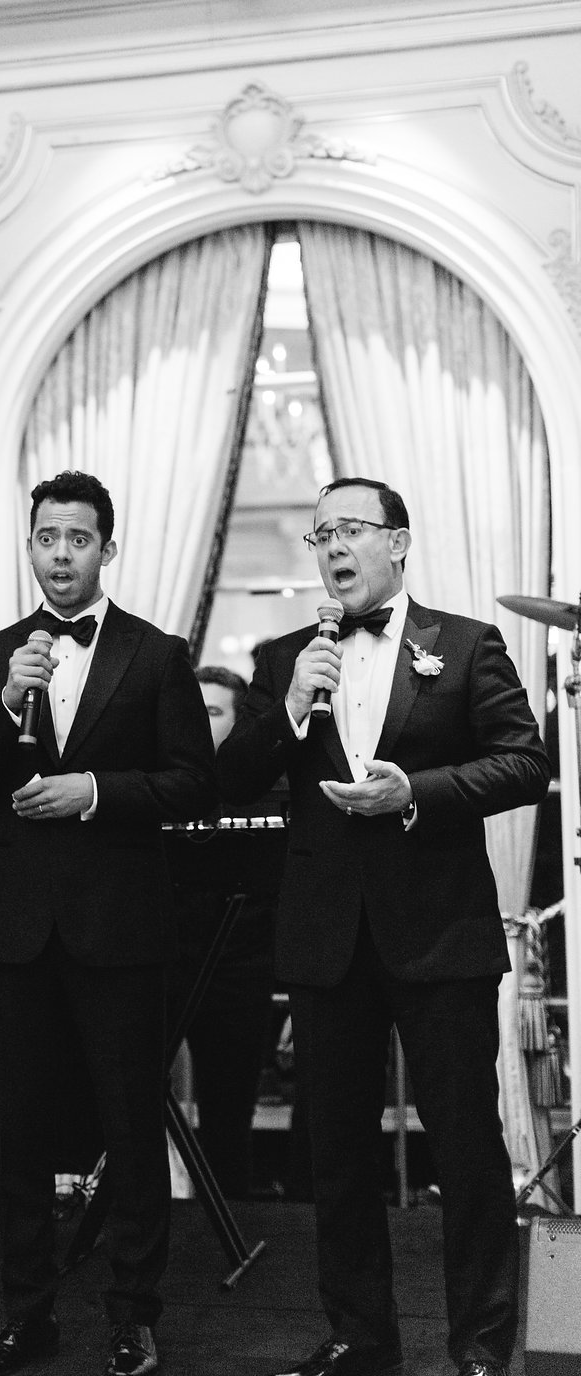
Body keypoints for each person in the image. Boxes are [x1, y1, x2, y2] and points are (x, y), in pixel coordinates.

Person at [216, 477, 549, 1376]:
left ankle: (481, 1346)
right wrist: (290, 707)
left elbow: (523, 762)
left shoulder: (466, 645)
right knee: (338, 1156)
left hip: (440, 934)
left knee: (467, 1149)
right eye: (320, 533)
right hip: (326, 938)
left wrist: (418, 793)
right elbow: (231, 776)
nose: (333, 545)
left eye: (351, 528)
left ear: (397, 542)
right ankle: (360, 1338)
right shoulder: (284, 656)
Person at [0, 470, 217, 1376]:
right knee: (20, 1134)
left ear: (108, 548)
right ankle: (28, 1318)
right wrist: (5, 702)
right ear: (31, 546)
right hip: (13, 928)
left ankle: (133, 1317)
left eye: (79, 539)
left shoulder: (157, 654)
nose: (61, 554)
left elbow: (193, 782)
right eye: (47, 538)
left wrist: (94, 791)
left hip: (120, 926)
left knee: (130, 1129)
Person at [172, 667, 276, 1200]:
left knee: (229, 1115)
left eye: (212, 712)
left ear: (239, 724)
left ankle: (229, 1221)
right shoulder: (159, 783)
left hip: (241, 967)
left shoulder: (267, 792)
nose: (198, 721)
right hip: (164, 963)